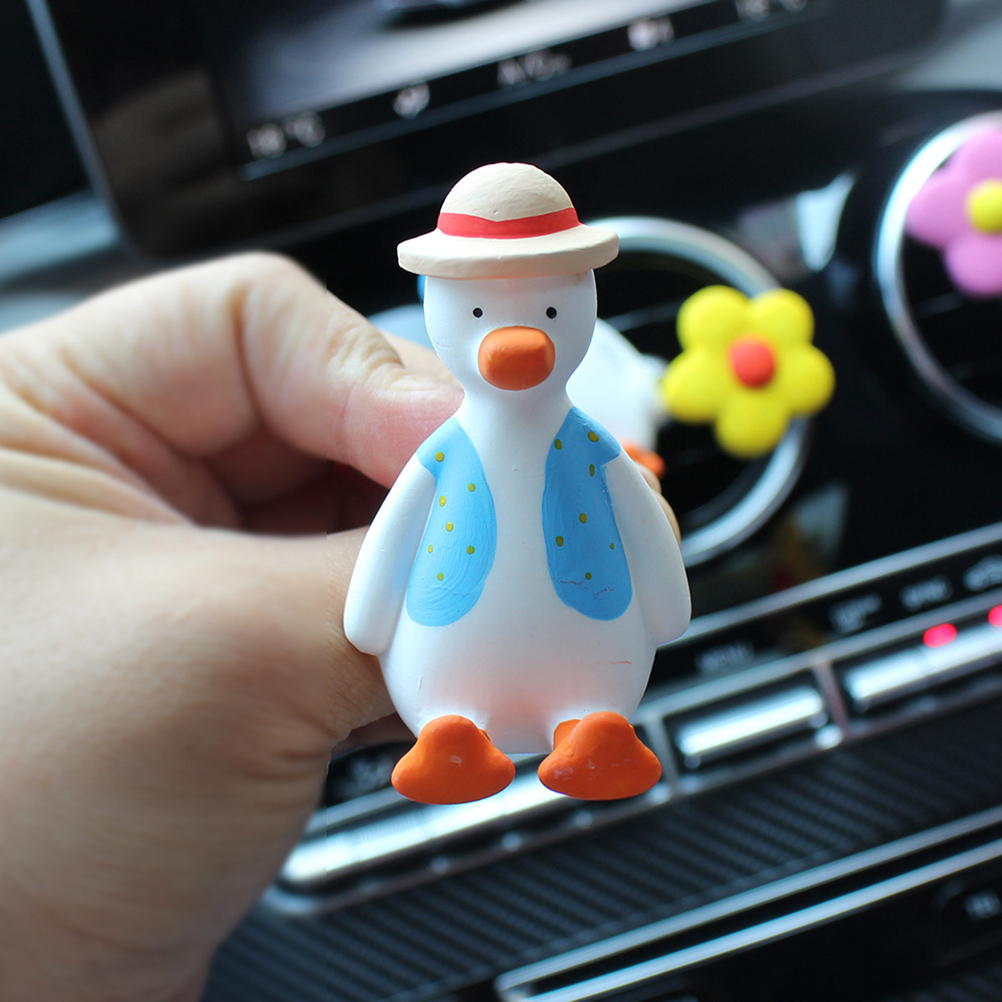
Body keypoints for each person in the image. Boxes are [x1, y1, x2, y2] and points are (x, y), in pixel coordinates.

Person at [0, 252, 676, 1001]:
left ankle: (592, 736)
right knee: (455, 705)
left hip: (587, 610)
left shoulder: (591, 446)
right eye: (481, 314)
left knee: (580, 698)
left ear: (580, 303)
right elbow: (399, 527)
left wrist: (665, 599)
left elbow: (638, 514)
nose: (519, 341)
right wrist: (368, 614)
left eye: (549, 312)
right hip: (462, 612)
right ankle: (455, 738)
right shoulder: (447, 448)